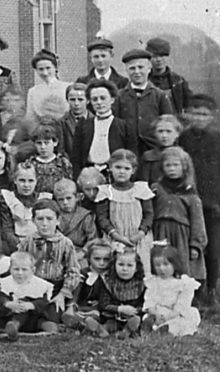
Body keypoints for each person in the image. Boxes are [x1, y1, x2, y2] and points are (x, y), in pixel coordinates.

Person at [178, 94, 220, 306]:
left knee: (212, 248)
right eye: (195, 113)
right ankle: (191, 290)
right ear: (187, 115)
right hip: (188, 200)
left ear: (213, 116)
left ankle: (211, 289)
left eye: (204, 114)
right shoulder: (183, 139)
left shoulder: (217, 138)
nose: (199, 118)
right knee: (189, 247)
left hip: (213, 202)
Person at [151, 146, 207, 283]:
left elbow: (198, 221)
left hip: (182, 236)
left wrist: (195, 245)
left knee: (181, 267)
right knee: (161, 263)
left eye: (176, 165)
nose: (172, 169)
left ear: (184, 167)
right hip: (161, 233)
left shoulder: (190, 193)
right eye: (168, 165)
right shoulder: (157, 189)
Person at [0, 250, 58, 341]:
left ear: (33, 270)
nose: (20, 273)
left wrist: (31, 305)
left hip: (31, 319)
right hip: (9, 317)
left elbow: (44, 302)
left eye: (24, 269)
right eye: (16, 269)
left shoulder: (40, 284)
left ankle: (15, 326)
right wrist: (8, 303)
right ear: (10, 269)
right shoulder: (6, 283)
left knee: (24, 305)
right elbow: (0, 298)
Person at [94, 150, 154, 268]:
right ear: (110, 168)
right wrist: (116, 236)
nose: (122, 171)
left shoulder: (141, 189)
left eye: (126, 168)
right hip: (115, 238)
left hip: (138, 239)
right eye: (118, 167)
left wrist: (140, 234)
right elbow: (102, 218)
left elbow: (149, 215)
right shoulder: (106, 192)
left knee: (140, 268)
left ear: (133, 170)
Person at [18, 199, 82, 309]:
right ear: (33, 220)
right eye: (40, 219)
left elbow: (73, 271)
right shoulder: (27, 242)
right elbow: (18, 265)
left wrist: (62, 293)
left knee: (52, 314)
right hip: (31, 287)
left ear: (58, 220)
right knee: (23, 312)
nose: (45, 224)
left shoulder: (65, 243)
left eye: (49, 219)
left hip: (55, 289)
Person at [70, 79, 138, 174]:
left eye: (103, 98)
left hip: (115, 174)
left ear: (112, 100)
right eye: (95, 99)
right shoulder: (83, 126)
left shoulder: (124, 126)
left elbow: (132, 157)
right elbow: (76, 157)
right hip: (89, 173)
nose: (99, 102)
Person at [116, 48, 174, 150]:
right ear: (126, 70)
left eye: (141, 67)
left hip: (154, 149)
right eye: (132, 68)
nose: (137, 72)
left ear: (149, 68)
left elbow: (169, 124)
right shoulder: (119, 96)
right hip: (128, 149)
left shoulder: (160, 95)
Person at [142, 244, 200, 336]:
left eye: (166, 264)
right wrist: (155, 313)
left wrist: (170, 316)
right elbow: (150, 300)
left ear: (175, 264)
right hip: (158, 312)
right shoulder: (153, 282)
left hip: (176, 313)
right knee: (147, 317)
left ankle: (165, 329)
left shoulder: (184, 283)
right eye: (157, 265)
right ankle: (153, 326)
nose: (161, 268)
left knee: (183, 322)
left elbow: (183, 303)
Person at [90, 247, 145, 337]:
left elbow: (145, 305)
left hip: (132, 315)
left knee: (136, 320)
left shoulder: (141, 284)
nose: (125, 269)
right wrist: (119, 309)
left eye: (129, 265)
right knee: (110, 323)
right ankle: (101, 330)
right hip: (112, 316)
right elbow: (103, 304)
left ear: (136, 268)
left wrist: (133, 310)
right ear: (114, 265)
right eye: (121, 264)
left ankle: (126, 331)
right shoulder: (108, 282)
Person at [145, 37, 192, 115]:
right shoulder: (145, 81)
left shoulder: (179, 81)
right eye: (155, 56)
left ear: (168, 57)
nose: (159, 60)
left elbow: (190, 106)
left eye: (162, 56)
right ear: (149, 59)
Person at [25, 49, 70, 125]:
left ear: (55, 67)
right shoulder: (33, 91)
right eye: (41, 69)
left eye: (48, 68)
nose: (45, 73)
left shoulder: (67, 87)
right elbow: (30, 118)